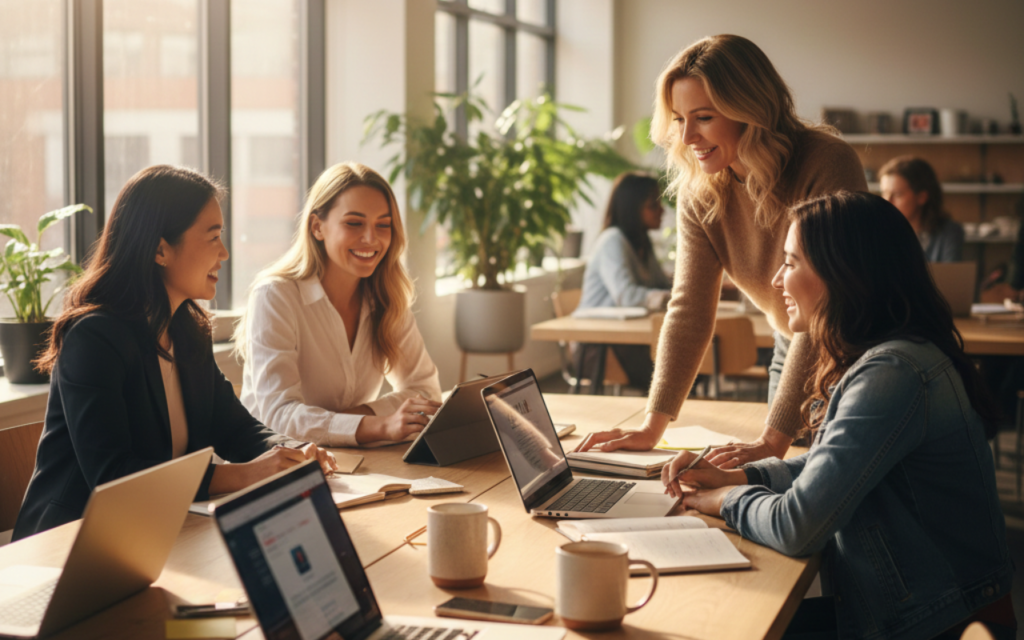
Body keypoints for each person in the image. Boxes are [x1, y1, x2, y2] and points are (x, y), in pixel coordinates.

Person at [664, 191, 1015, 640]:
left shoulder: (893, 373)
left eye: (790, 263)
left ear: (842, 275)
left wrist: (722, 502)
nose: (776, 280)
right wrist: (742, 476)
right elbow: (833, 466)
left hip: (938, 623)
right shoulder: (892, 356)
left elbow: (797, 527)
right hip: (924, 609)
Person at [576, 34, 866, 466]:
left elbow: (825, 299)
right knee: (780, 484)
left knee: (828, 496)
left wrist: (771, 441)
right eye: (678, 119)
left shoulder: (825, 163)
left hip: (858, 348)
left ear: (749, 110)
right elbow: (690, 307)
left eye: (704, 117)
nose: (688, 135)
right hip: (792, 342)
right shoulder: (700, 191)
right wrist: (652, 428)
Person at [14, 165, 336, 541]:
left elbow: (234, 427)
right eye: (213, 237)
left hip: (158, 530)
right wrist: (244, 474)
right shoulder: (94, 337)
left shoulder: (187, 331)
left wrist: (293, 451)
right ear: (160, 249)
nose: (225, 253)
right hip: (71, 542)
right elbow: (112, 476)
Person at [235, 162, 442, 446]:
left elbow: (425, 390)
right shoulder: (275, 296)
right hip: (272, 465)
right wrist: (377, 425)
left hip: (348, 461)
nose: (371, 238)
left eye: (383, 225)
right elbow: (278, 416)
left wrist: (356, 419)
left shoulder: (386, 296)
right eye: (354, 223)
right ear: (317, 227)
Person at [576, 171, 672, 391]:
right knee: (677, 367)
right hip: (598, 347)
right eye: (653, 204)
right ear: (633, 209)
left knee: (682, 361)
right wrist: (670, 296)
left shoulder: (640, 242)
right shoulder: (612, 241)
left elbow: (661, 284)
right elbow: (626, 296)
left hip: (629, 342)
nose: (662, 209)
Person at [879, 155, 964, 262]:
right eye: (884, 193)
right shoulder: (879, 232)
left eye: (897, 194)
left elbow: (952, 276)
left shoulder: (949, 232)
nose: (887, 201)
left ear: (922, 197)